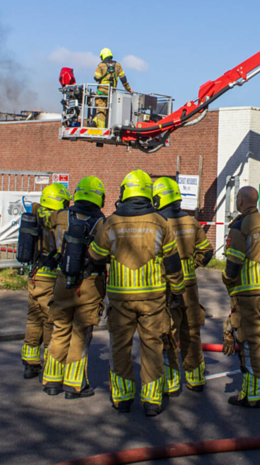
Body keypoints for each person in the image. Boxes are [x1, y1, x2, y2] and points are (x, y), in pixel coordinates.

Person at [89, 170, 185, 417]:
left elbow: (96, 256)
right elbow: (173, 263)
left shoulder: (111, 222)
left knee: (119, 346)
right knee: (152, 346)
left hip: (120, 298)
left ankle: (122, 398)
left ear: (124, 192)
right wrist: (177, 291)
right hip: (153, 298)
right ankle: (152, 401)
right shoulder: (160, 222)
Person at [42, 177, 107, 399]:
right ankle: (74, 384)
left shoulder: (59, 216)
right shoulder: (101, 223)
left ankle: (51, 380)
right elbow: (105, 253)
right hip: (89, 283)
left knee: (60, 327)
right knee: (81, 332)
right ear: (100, 197)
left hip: (61, 278)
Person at [153, 177, 213, 395]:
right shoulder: (191, 222)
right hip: (190, 287)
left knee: (169, 333)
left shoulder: (158, 223)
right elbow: (207, 252)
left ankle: (170, 382)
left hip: (167, 288)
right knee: (192, 331)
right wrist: (192, 265)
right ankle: (195, 379)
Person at [223, 186, 260, 407]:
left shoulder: (240, 225)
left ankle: (253, 395)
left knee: (249, 343)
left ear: (240, 202)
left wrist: (228, 281)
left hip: (248, 294)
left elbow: (233, 263)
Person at [21, 183, 70, 380]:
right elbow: (62, 249)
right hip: (49, 278)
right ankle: (52, 364)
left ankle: (30, 363)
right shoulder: (54, 221)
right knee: (52, 320)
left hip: (34, 275)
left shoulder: (35, 215)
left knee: (34, 319)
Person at [92, 48, 132, 127]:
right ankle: (96, 121)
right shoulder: (117, 65)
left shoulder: (101, 65)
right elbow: (123, 79)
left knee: (101, 111)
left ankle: (100, 128)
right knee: (110, 111)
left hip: (101, 93)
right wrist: (129, 89)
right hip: (112, 93)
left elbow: (96, 78)